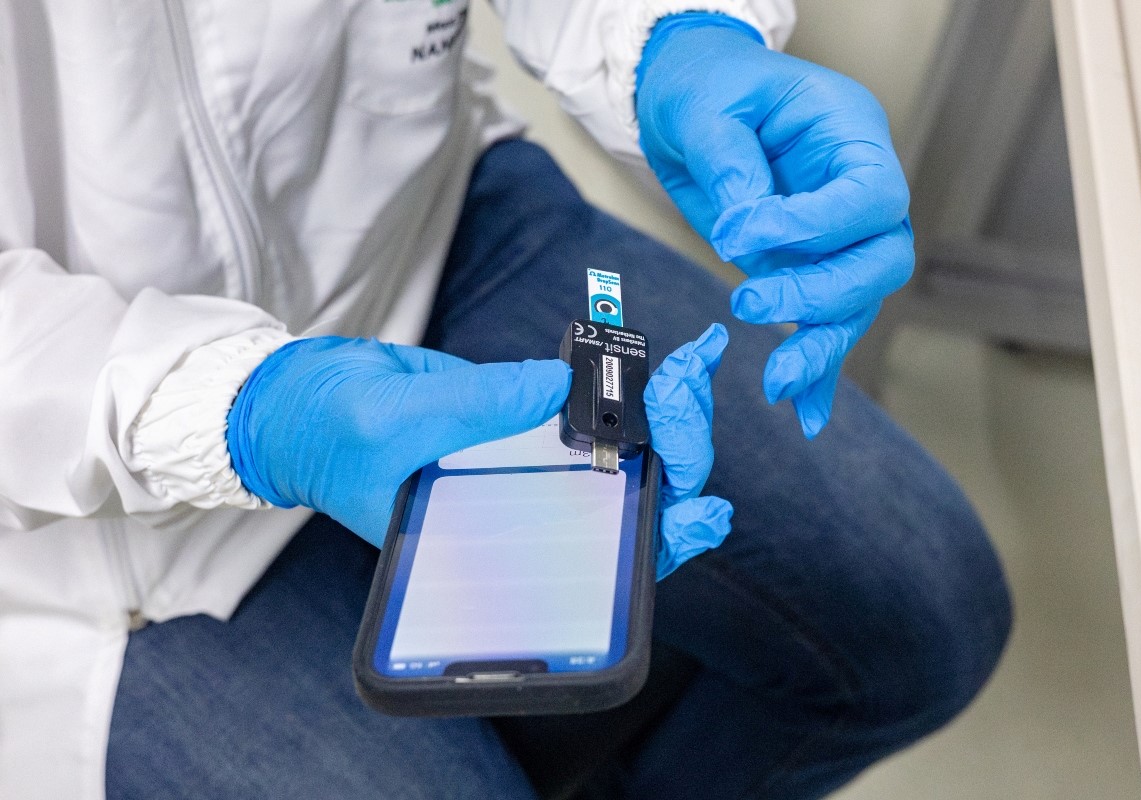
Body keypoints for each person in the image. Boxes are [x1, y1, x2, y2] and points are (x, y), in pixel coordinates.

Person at [0, 2, 1012, 799]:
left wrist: (676, 41)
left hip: (423, 221)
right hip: (100, 528)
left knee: (927, 615)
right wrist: (265, 413)